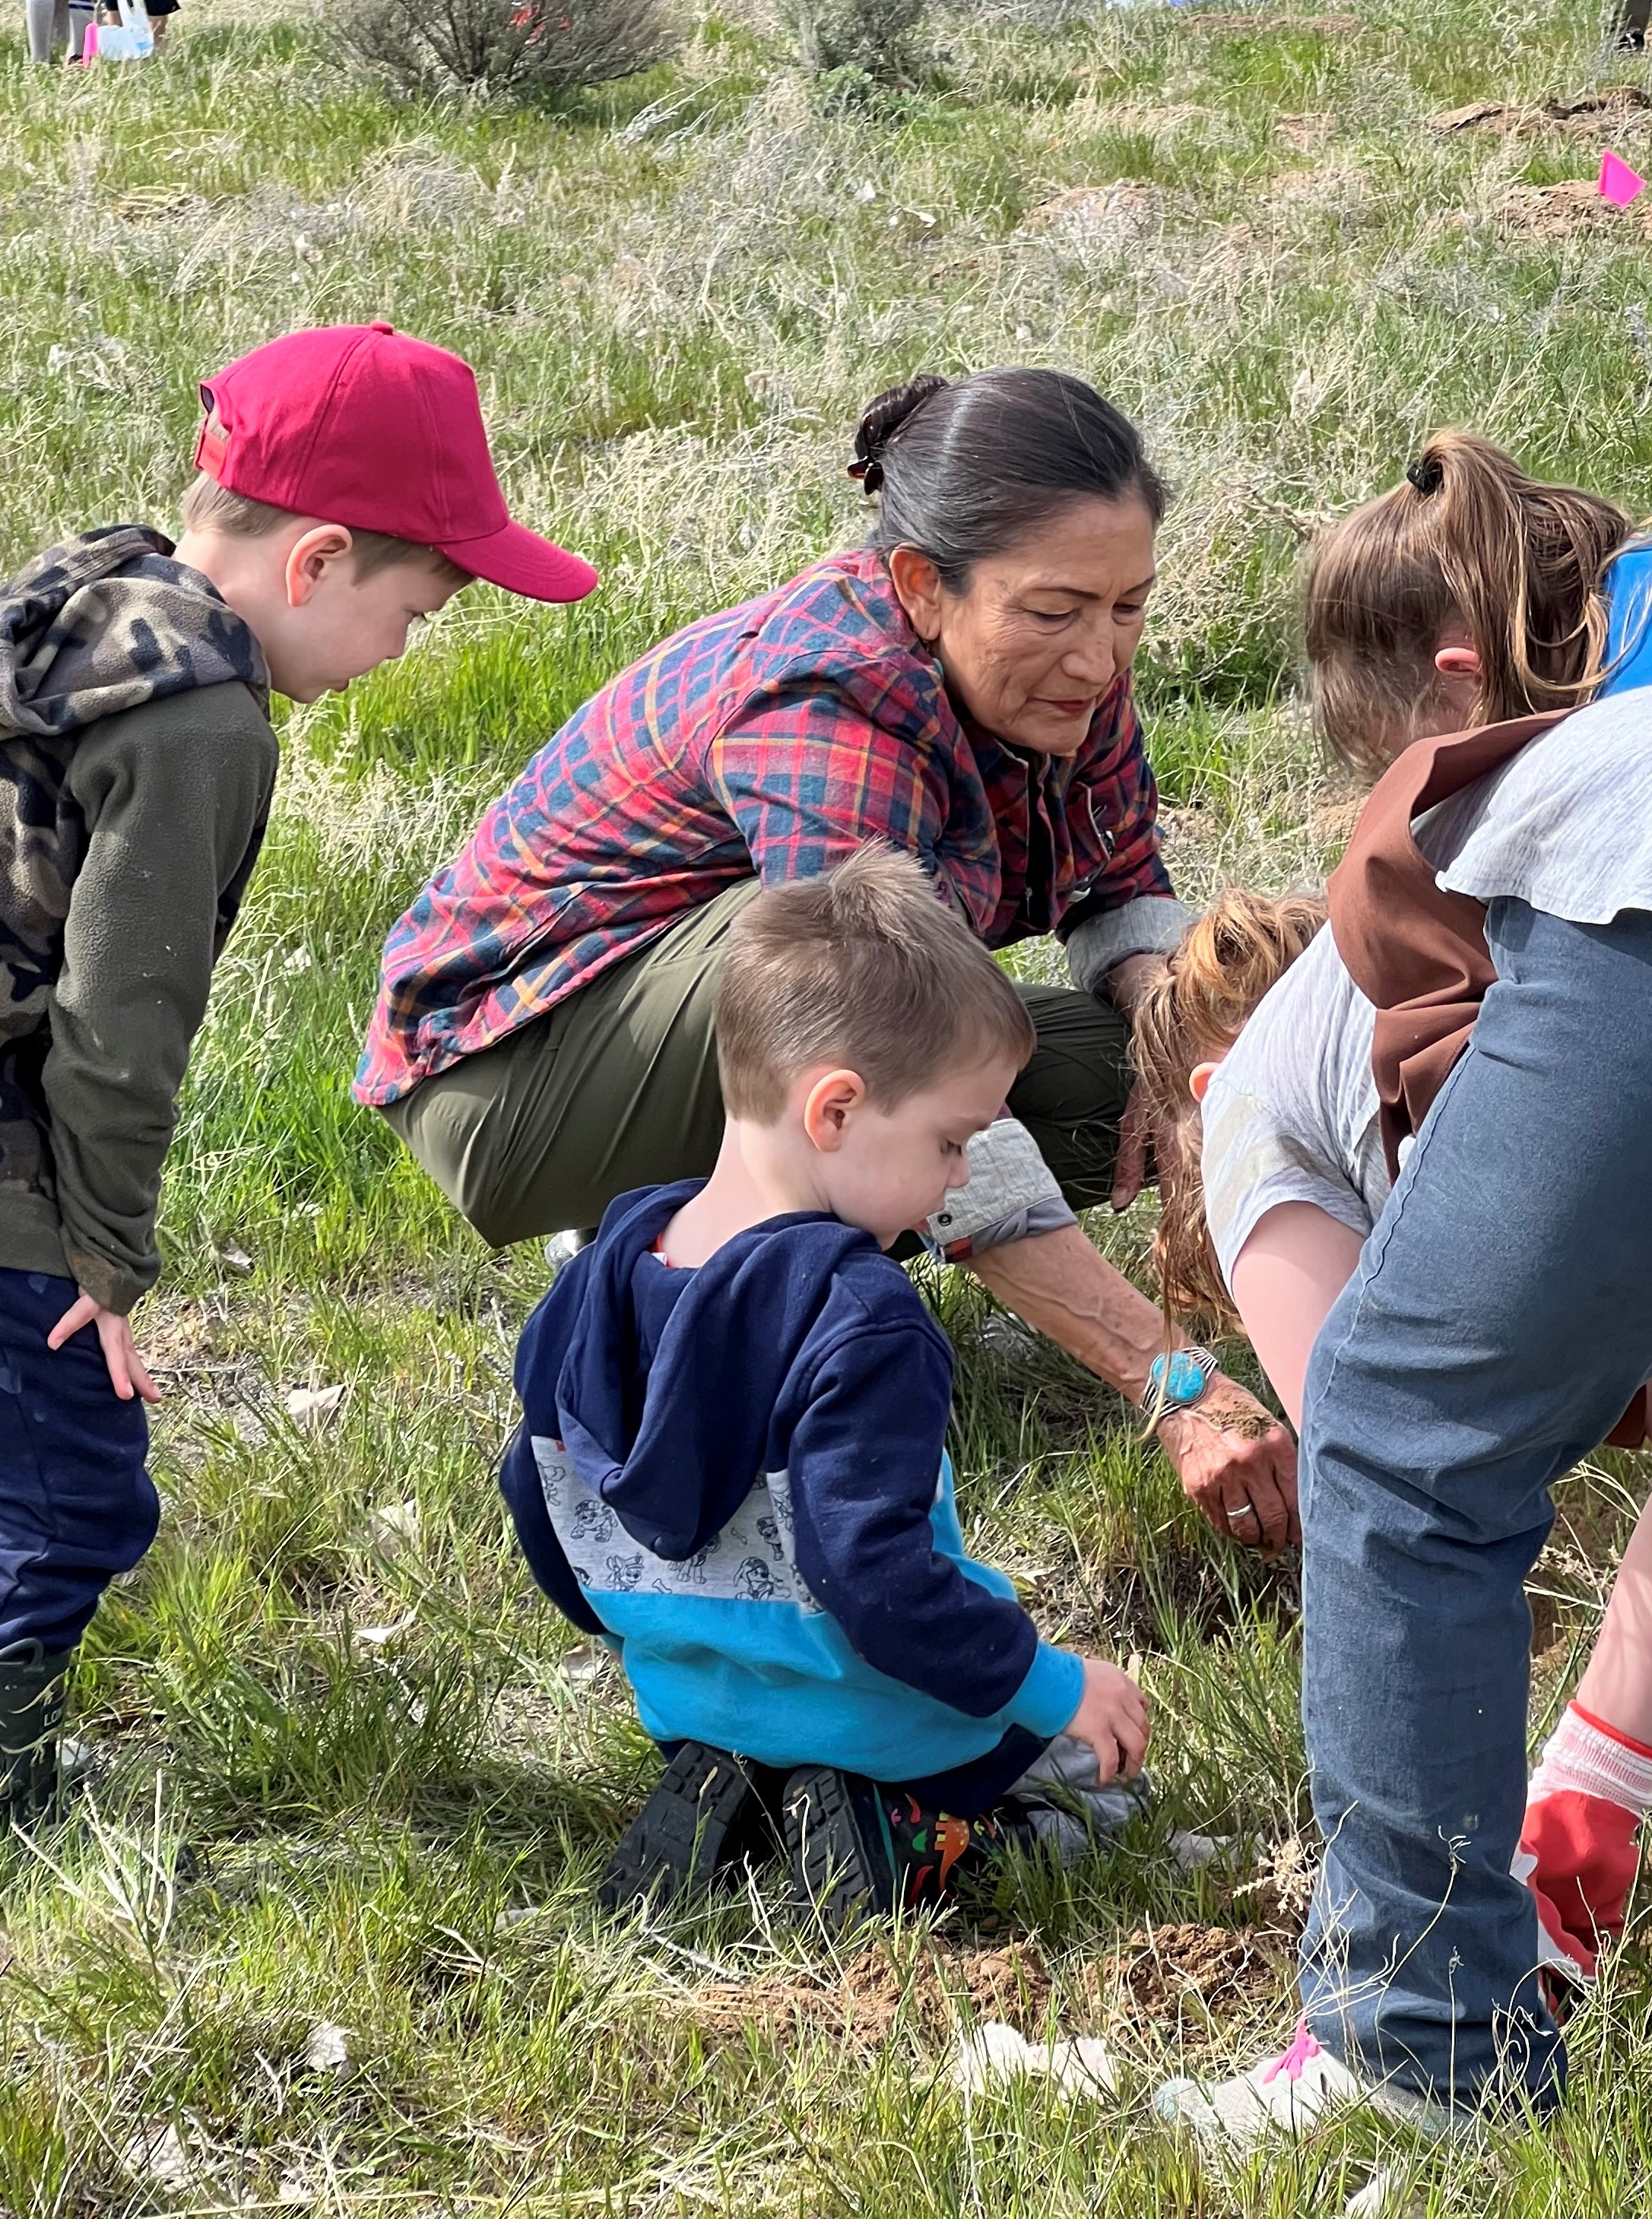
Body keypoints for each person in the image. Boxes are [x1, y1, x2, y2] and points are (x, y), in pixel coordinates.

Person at [0, 324, 595, 1824]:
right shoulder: (201, 726)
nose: (403, 650)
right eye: (412, 611)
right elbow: (126, 1017)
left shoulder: (97, 604)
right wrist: (105, 1254)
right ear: (318, 561)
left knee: (4, 1433)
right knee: (76, 1485)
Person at [360, 367, 1297, 1555]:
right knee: (858, 998)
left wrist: (1178, 1057)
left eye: (1129, 606)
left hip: (737, 1025)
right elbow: (879, 1037)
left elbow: (1119, 885)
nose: (1100, 658)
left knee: (1149, 1064)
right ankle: (651, 1244)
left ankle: (758, 1248)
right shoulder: (832, 697)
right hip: (513, 1080)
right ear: (921, 585)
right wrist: (1175, 1383)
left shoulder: (1058, 674)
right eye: (1059, 611)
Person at [1135, 430, 1652, 2138]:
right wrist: (1595, 1786)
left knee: (1398, 1450)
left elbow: (1403, 1493)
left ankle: (1416, 2048)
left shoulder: (1255, 1125)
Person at [501, 847, 1155, 1928]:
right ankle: (917, 1832)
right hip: (881, 1712)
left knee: (778, 1718)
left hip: (691, 1697)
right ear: (836, 1111)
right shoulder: (862, 1318)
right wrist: (1054, 1685)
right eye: (951, 1142)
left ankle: (750, 1791)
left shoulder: (592, 1284)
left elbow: (537, 1502)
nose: (958, 1176)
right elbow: (875, 1579)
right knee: (1098, 1781)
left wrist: (648, 1640)